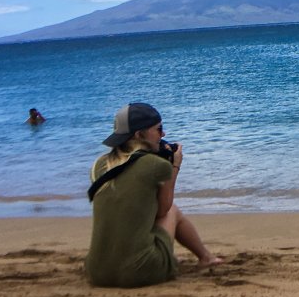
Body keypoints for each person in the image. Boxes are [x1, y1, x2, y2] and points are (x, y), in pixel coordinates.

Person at [85, 102, 223, 287]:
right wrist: (175, 165)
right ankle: (206, 257)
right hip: (140, 272)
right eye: (159, 129)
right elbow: (163, 209)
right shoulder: (156, 165)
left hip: (97, 274)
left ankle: (154, 252)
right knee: (172, 210)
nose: (163, 135)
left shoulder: (98, 165)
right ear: (139, 135)